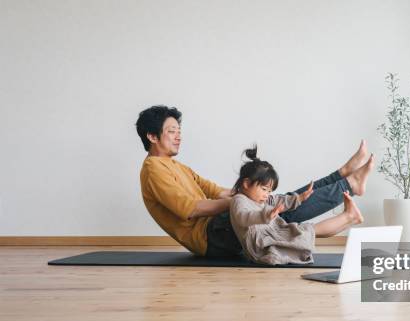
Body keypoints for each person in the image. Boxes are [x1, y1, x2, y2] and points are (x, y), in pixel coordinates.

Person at [136, 105, 374, 257]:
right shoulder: (153, 169)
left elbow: (215, 191)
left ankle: (342, 175)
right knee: (279, 212)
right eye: (171, 131)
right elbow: (188, 209)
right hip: (211, 237)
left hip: (218, 226)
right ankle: (348, 184)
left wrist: (248, 194)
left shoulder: (175, 165)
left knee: (276, 199)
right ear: (152, 136)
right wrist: (242, 201)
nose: (178, 136)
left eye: (179, 130)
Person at [230, 146, 364, 264]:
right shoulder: (239, 200)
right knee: (304, 231)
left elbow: (278, 200)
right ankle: (349, 216)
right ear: (246, 184)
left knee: (303, 231)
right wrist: (265, 214)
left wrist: (299, 198)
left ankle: (350, 216)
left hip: (269, 234)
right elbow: (244, 217)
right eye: (264, 189)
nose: (266, 194)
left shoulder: (260, 198)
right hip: (260, 245)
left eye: (269, 191)